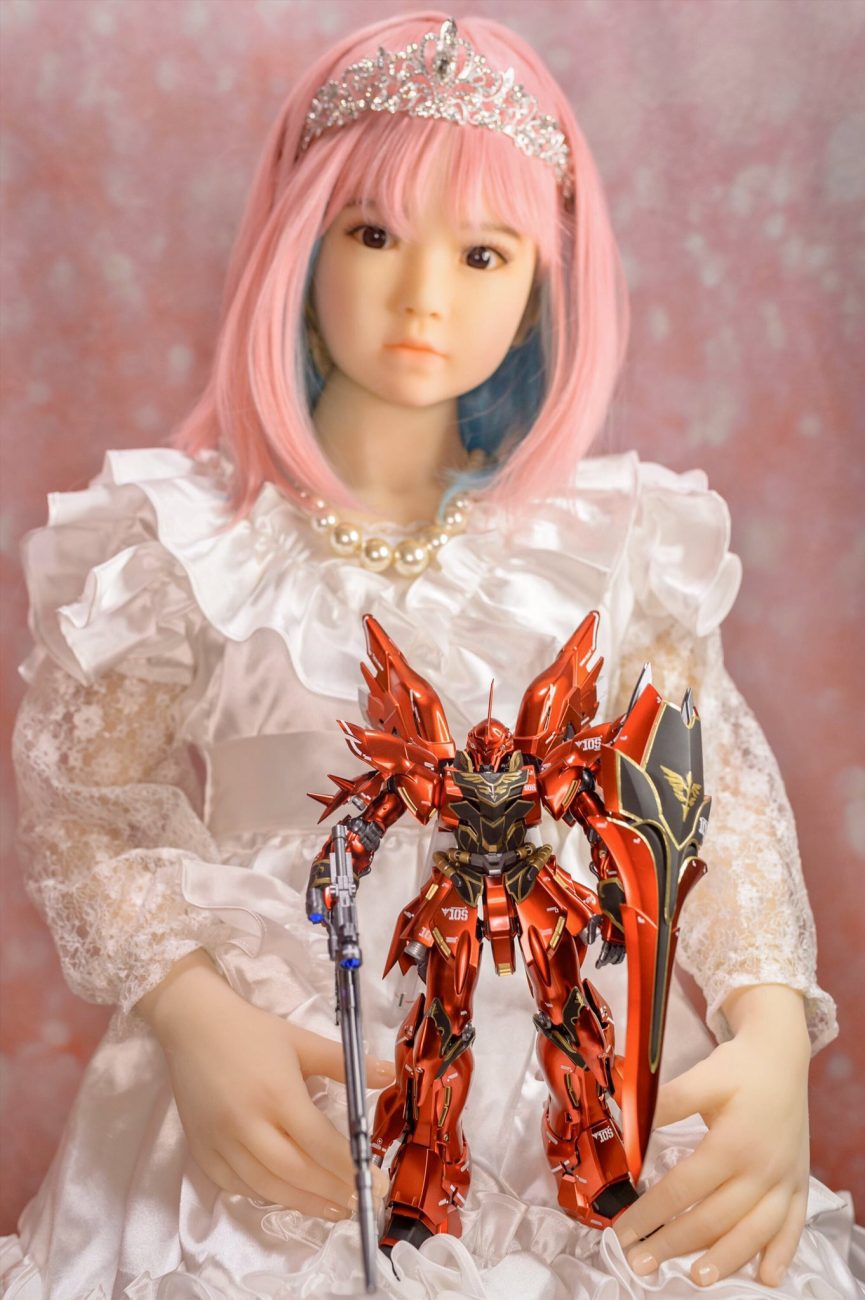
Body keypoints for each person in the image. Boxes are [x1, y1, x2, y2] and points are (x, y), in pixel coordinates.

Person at [1, 11, 861, 1299]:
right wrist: (191, 1009)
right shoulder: (175, 542)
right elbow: (88, 805)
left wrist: (772, 1029)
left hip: (585, 1065)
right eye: (374, 236)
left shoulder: (613, 543)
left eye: (482, 253)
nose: (424, 296)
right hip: (285, 1075)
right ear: (302, 243)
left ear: (539, 284)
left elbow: (712, 798)